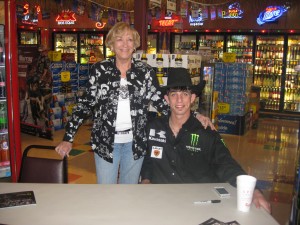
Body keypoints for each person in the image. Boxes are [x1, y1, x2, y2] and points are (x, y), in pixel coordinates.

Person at [55, 22, 214, 184]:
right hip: (105, 142)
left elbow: (163, 103)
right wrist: (68, 138)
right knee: (105, 191)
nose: (125, 44)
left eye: (129, 40)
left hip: (135, 143)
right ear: (111, 44)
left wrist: (194, 115)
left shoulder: (145, 72)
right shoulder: (100, 70)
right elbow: (84, 104)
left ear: (135, 45)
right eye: (119, 39)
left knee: (129, 193)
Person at [140, 67, 271, 213]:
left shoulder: (207, 133)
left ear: (192, 98)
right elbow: (148, 160)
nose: (179, 100)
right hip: (160, 202)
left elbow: (226, 163)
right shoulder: (153, 127)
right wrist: (145, 179)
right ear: (167, 99)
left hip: (196, 205)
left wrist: (254, 191)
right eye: (174, 94)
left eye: (184, 94)